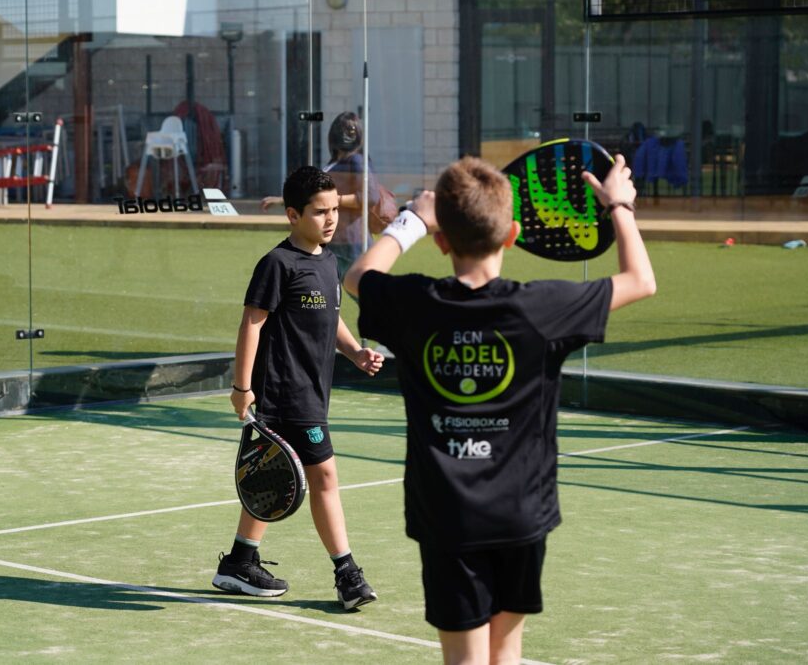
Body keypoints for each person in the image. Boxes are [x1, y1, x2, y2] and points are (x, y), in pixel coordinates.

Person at [343, 155, 656, 663]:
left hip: (446, 517)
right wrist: (618, 204)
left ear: (443, 239)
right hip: (521, 514)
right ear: (512, 234)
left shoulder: (413, 302)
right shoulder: (543, 308)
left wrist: (413, 220)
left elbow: (359, 275)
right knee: (505, 650)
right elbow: (641, 280)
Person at [213, 165, 385, 610]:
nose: (330, 220)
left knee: (269, 477)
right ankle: (347, 574)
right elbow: (251, 324)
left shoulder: (328, 262)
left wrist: (355, 353)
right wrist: (241, 387)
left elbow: (331, 318)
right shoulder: (277, 264)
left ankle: (239, 562)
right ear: (292, 215)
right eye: (318, 212)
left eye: (333, 210)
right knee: (324, 476)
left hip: (312, 390)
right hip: (284, 394)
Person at [262, 112, 394, 279]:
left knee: (363, 292)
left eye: (352, 130)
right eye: (344, 129)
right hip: (334, 238)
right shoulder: (336, 161)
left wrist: (335, 201)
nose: (347, 134)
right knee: (324, 289)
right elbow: (316, 194)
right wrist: (283, 200)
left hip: (352, 241)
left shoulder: (357, 161)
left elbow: (370, 196)